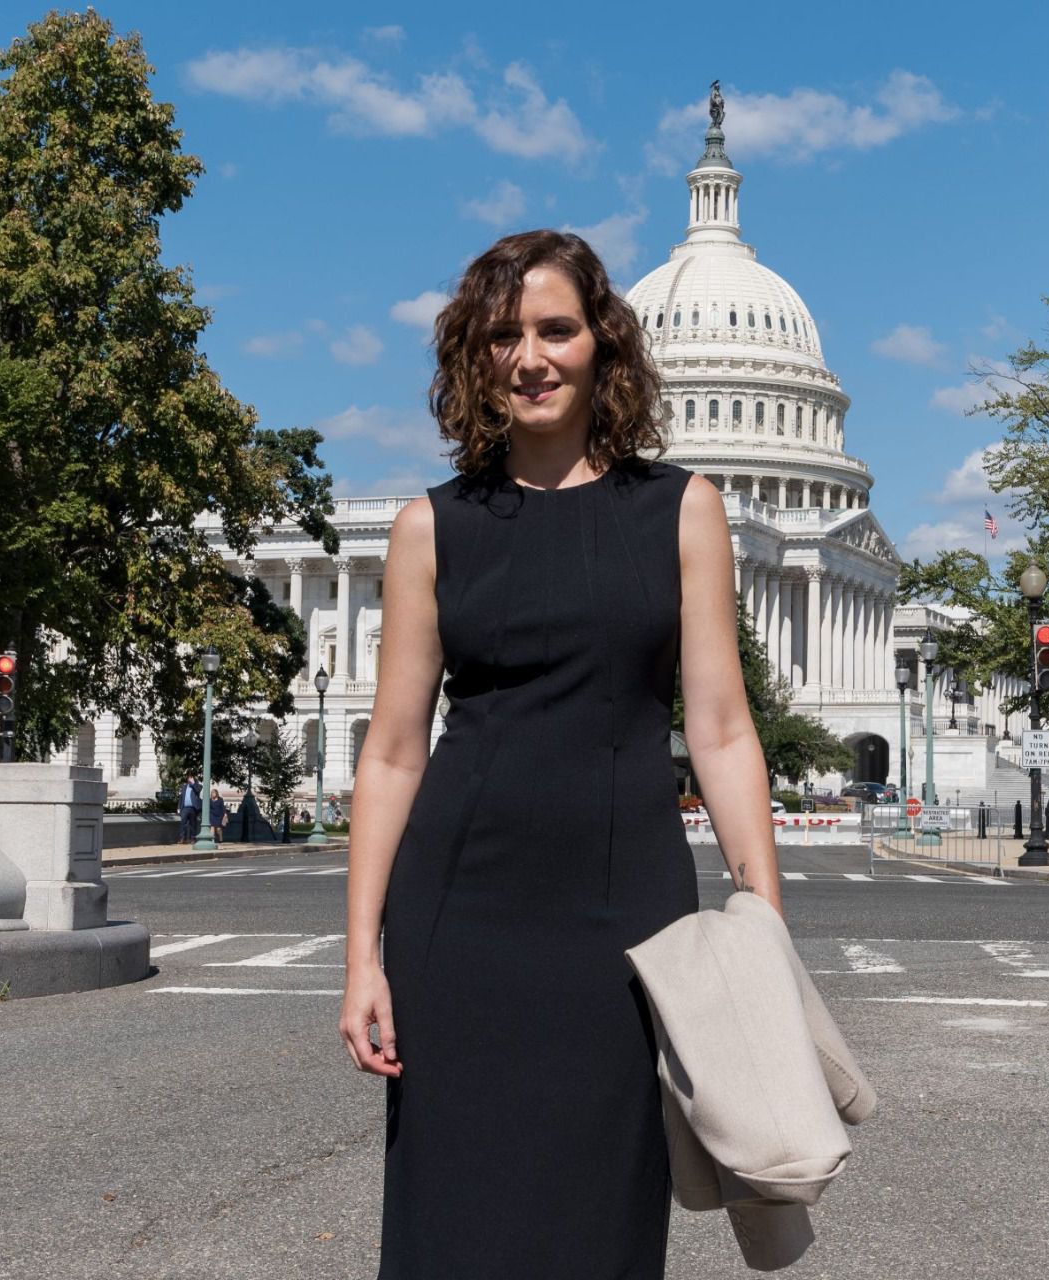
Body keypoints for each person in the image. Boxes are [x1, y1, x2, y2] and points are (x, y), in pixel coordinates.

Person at [337, 229, 783, 1279]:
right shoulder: (427, 528)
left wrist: (761, 909)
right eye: (502, 335)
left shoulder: (681, 509)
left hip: (623, 910)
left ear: (602, 345)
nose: (529, 357)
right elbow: (394, 750)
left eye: (554, 329)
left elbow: (718, 726)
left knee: (602, 1211)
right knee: (452, 1208)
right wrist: (363, 956)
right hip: (460, 915)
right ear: (471, 355)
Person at [177, 773, 201, 844]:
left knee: (193, 824)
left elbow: (198, 790)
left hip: (193, 808)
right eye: (189, 778)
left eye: (191, 778)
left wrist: (193, 783)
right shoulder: (184, 786)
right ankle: (182, 838)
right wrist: (179, 807)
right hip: (184, 808)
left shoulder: (197, 786)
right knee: (183, 823)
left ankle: (193, 838)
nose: (189, 779)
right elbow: (181, 798)